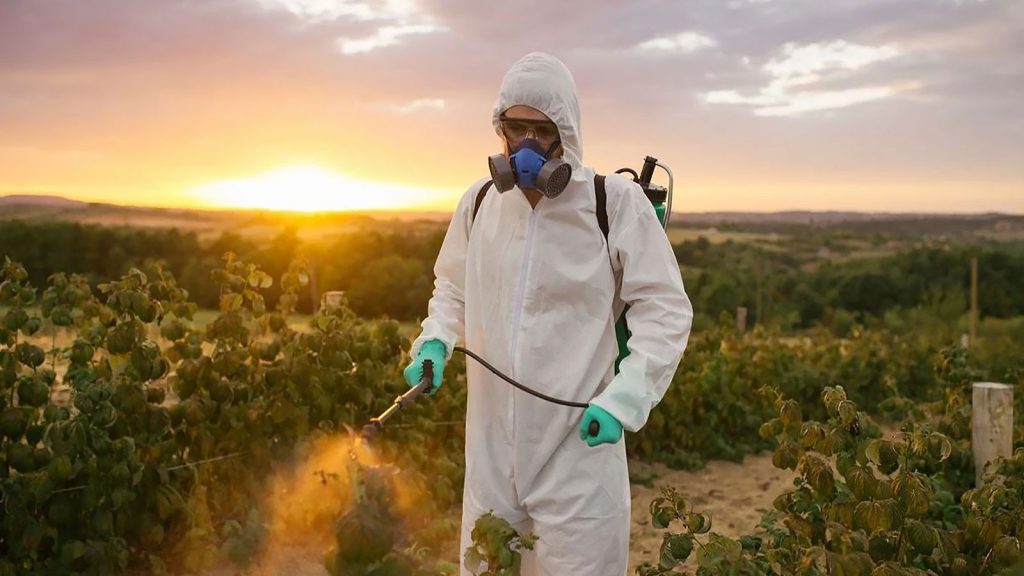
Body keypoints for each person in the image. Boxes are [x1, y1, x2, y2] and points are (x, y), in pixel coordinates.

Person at [404, 52, 693, 575]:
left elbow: (665, 310)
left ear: (567, 133)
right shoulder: (479, 203)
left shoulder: (613, 205)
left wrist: (624, 401)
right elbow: (451, 288)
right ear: (500, 130)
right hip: (492, 453)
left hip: (578, 452)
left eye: (543, 129)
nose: (529, 145)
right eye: (517, 128)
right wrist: (435, 340)